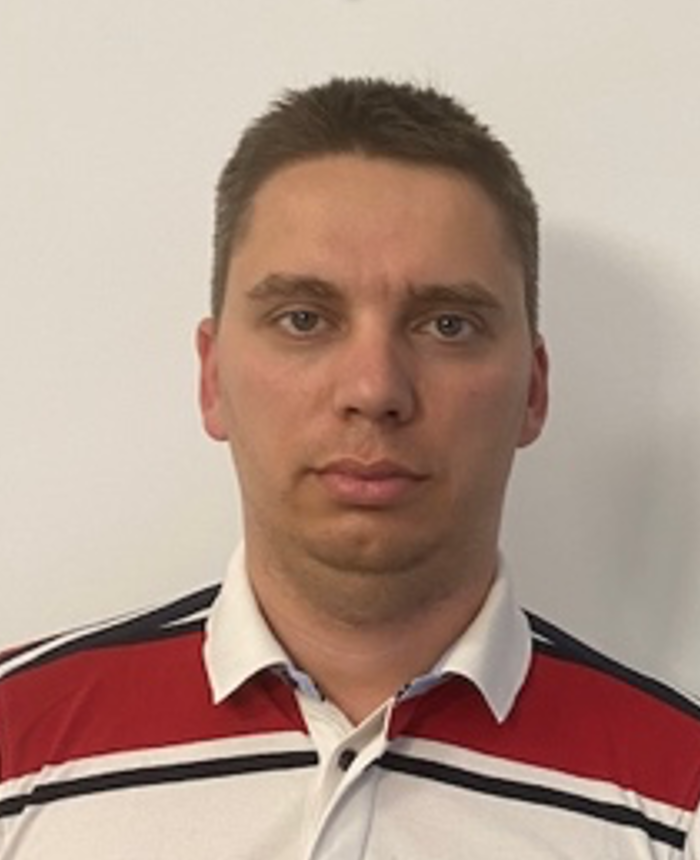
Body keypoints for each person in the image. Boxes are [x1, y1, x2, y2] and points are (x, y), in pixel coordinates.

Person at [0, 77, 698, 859]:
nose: (374, 389)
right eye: (304, 318)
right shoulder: (12, 739)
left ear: (532, 391)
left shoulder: (682, 796)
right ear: (213, 377)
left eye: (447, 324)